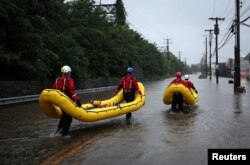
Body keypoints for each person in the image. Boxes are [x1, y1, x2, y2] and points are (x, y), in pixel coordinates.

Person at [53, 65, 81, 136]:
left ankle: (57, 131)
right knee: (69, 118)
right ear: (67, 72)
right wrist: (77, 100)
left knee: (64, 115)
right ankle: (64, 134)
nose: (70, 74)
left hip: (59, 100)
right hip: (67, 100)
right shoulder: (69, 80)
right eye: (69, 72)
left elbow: (54, 89)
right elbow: (72, 91)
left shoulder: (57, 80)